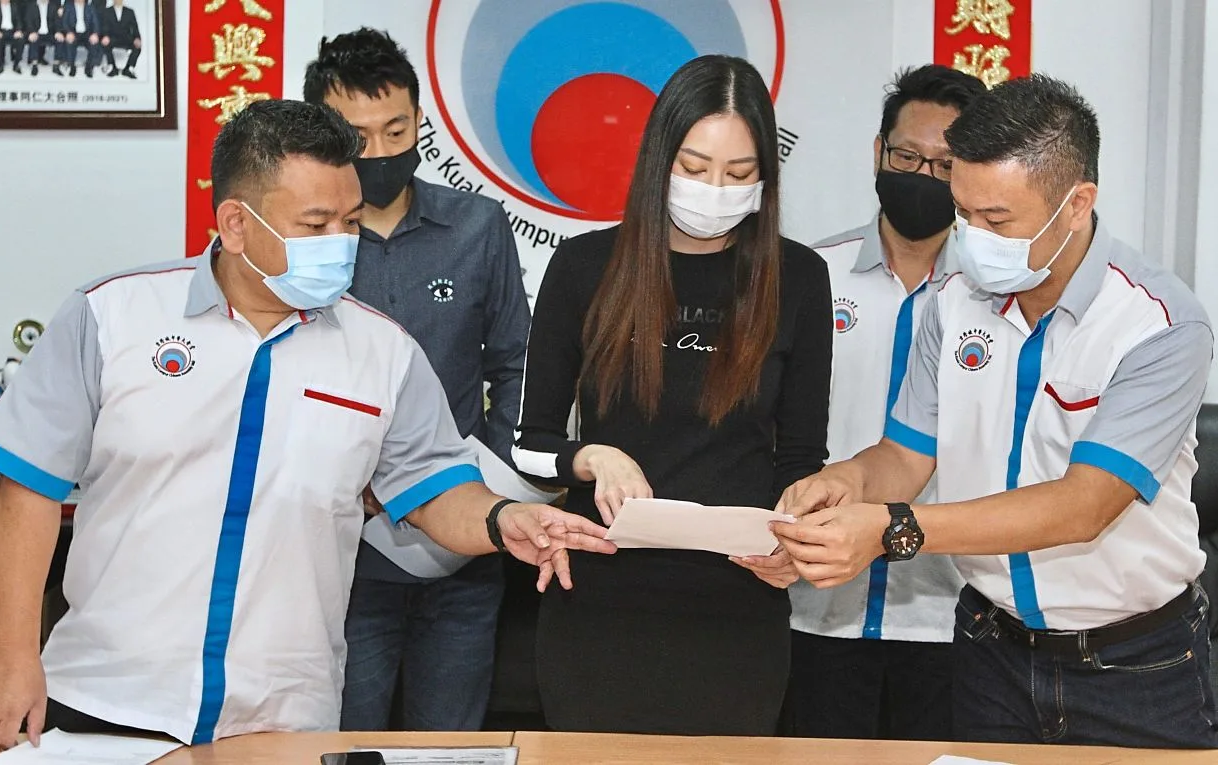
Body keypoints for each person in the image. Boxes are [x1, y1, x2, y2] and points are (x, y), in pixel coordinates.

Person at [0, 99, 614, 752]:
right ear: (236, 224)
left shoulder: (383, 352)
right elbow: (28, 486)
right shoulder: (112, 317)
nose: (341, 242)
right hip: (107, 696)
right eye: (316, 224)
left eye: (350, 221)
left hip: (283, 715)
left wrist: (504, 519)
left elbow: (434, 488)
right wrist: (12, 654)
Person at [774, 74, 1218, 749]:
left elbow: (1083, 506)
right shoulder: (954, 299)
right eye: (963, 213)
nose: (973, 237)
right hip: (989, 651)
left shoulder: (1159, 324)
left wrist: (892, 527)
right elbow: (905, 454)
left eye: (997, 220)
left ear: (1077, 204)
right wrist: (848, 484)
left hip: (1134, 665)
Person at [514, 54, 832, 736]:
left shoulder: (798, 278)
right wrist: (591, 456)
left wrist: (794, 542)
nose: (715, 190)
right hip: (598, 602)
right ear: (659, 160)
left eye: (739, 175)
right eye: (694, 167)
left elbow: (802, 457)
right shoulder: (584, 267)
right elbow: (530, 447)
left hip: (737, 608)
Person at [303, 29, 531, 733]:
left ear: (420, 123)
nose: (377, 151)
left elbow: (516, 364)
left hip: (463, 547)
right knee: (343, 739)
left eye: (396, 130)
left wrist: (485, 480)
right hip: (342, 555)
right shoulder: (305, 246)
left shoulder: (477, 226)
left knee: (450, 742)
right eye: (356, 136)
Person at [785, 64, 985, 742]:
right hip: (813, 607)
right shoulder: (810, 275)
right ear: (878, 152)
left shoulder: (992, 298)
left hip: (950, 614)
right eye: (907, 158)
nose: (923, 177)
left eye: (945, 165)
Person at [22, 0, 65, 77]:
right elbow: (28, 21)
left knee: (60, 39)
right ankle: (34, 65)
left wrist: (58, 32)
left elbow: (57, 21)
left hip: (50, 33)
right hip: (36, 32)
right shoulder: (31, 6)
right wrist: (32, 32)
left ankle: (56, 65)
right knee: (33, 39)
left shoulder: (53, 6)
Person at [100, 0, 139, 79]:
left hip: (126, 38)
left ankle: (128, 68)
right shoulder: (106, 11)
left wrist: (137, 38)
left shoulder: (130, 12)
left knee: (137, 46)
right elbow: (103, 26)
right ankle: (112, 67)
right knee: (105, 43)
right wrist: (105, 36)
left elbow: (135, 27)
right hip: (112, 38)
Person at [61, 0, 100, 78]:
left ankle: (89, 67)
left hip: (87, 33)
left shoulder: (90, 8)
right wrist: (68, 32)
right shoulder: (68, 7)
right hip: (73, 32)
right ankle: (72, 66)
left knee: (94, 43)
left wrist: (95, 33)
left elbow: (95, 22)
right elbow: (64, 22)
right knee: (69, 42)